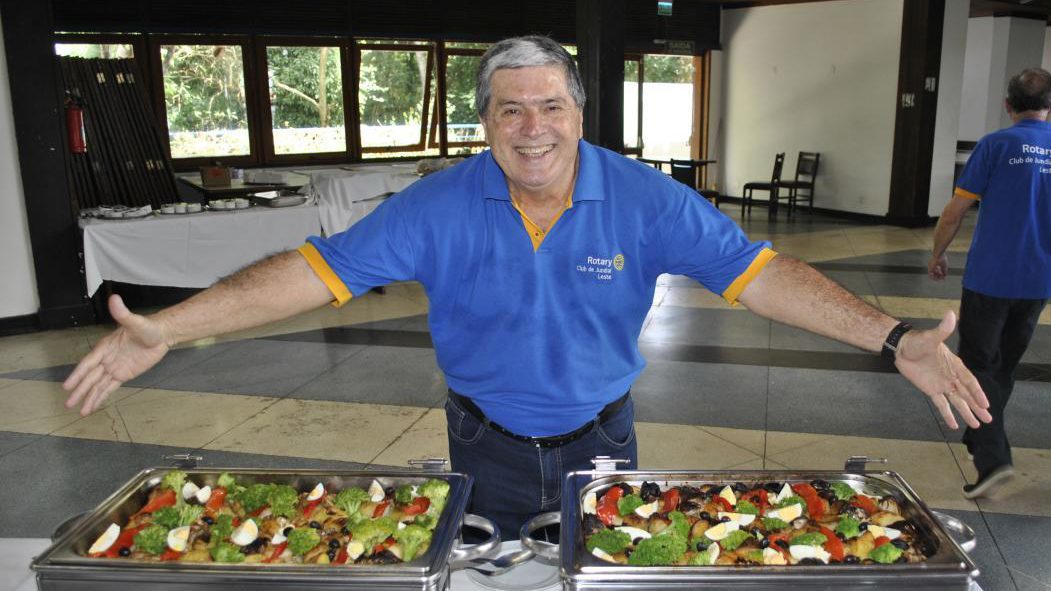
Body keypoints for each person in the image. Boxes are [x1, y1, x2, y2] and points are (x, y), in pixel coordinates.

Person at [65, 36, 990, 538]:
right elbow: (311, 273)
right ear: (486, 124)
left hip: (604, 434)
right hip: (481, 439)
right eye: (510, 107)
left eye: (551, 104)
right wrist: (170, 327)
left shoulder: (642, 197)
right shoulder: (435, 204)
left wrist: (891, 335)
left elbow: (760, 276)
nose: (532, 125)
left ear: (579, 113)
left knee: (602, 565)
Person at [928, 67, 1051, 499]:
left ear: (1008, 104)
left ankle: (993, 458)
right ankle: (980, 434)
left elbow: (954, 212)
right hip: (1038, 281)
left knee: (977, 365)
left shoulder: (997, 144)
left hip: (990, 279)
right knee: (1003, 367)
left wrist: (938, 252)